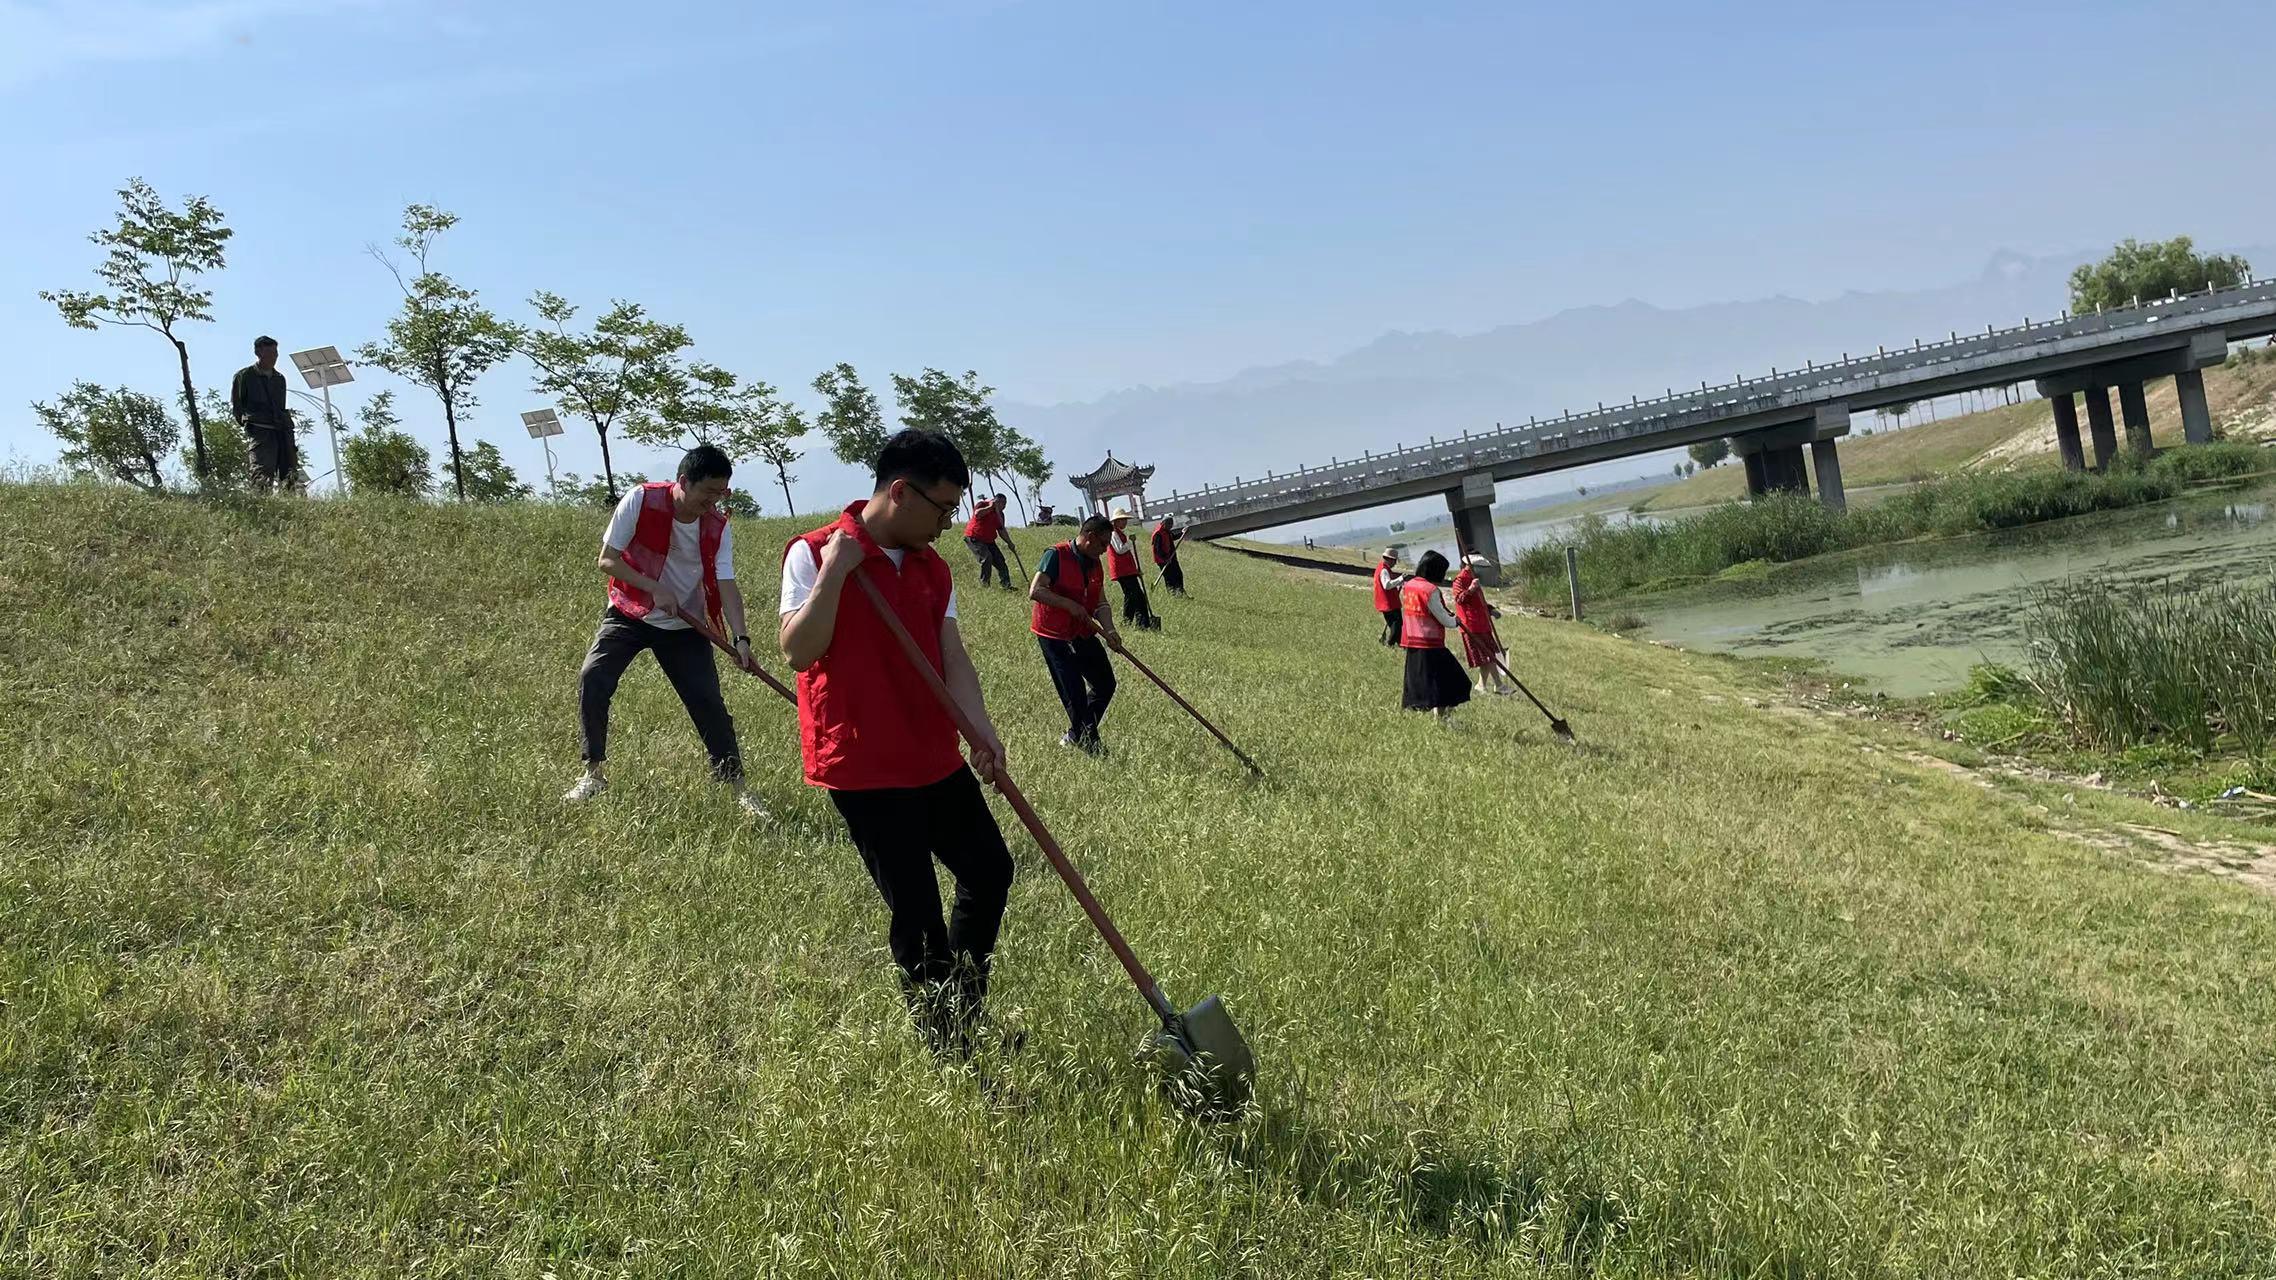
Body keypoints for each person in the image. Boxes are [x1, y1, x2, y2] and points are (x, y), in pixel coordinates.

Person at [778, 429, 1018, 1056]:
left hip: (931, 753)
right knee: (917, 911)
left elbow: (952, 654)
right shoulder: (812, 553)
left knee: (991, 870)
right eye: (941, 508)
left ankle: (964, 1001)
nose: (950, 522)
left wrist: (981, 731)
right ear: (899, 491)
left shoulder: (933, 567)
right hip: (863, 764)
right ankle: (949, 1047)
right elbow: (798, 650)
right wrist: (837, 572)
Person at [566, 445, 769, 819]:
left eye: (720, 493)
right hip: (630, 611)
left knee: (708, 702)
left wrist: (741, 639)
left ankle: (737, 788)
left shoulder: (717, 526)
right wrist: (653, 586)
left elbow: (727, 584)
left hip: (684, 624)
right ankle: (593, 774)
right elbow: (607, 559)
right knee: (593, 677)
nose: (713, 501)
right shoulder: (641, 500)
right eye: (707, 492)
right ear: (683, 482)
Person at [1031, 514, 1124, 754]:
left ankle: (1076, 732)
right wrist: (1070, 605)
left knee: (1106, 683)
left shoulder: (1095, 563)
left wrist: (1110, 630)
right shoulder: (1056, 554)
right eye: (1103, 543)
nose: (1105, 550)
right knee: (1074, 693)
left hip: (1083, 632)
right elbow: (1036, 590)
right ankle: (1090, 744)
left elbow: (1101, 603)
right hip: (1055, 635)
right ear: (1090, 537)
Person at [1399, 550, 1472, 722]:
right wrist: (1456, 621)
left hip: (1413, 642)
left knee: (1434, 685)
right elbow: (1444, 619)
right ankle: (1443, 717)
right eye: (1443, 571)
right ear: (1435, 570)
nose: (1444, 574)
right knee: (1455, 681)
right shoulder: (1430, 590)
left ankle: (1440, 718)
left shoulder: (1410, 585)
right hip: (1431, 644)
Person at [231, 335, 298, 493]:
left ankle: (290, 509)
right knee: (261, 473)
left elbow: (281, 405)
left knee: (289, 473)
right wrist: (248, 424)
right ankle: (261, 507)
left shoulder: (280, 379)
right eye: (269, 353)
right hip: (260, 430)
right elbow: (237, 405)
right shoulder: (244, 376)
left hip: (282, 430)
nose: (274, 357)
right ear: (258, 352)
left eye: (275, 353)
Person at [1451, 554, 1512, 696]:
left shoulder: (1474, 579)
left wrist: (1491, 610)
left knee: (1487, 657)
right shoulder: (1460, 580)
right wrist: (1471, 589)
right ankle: (1499, 686)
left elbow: (1478, 601)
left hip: (1482, 623)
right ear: (1470, 566)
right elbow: (1459, 599)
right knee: (1488, 656)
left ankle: (1481, 685)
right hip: (1471, 625)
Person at [1106, 508, 1160, 632]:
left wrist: (1135, 569)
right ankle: (1129, 623)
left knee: (1137, 597)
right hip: (1122, 571)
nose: (1125, 522)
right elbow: (1120, 550)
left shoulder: (1119, 533)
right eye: (1122, 520)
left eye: (1125, 520)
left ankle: (1141, 624)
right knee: (1132, 596)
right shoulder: (1113, 533)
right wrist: (1131, 541)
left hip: (1128, 570)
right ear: (1116, 521)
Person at [962, 494, 1015, 589]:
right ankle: (985, 585)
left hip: (989, 541)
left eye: (1005, 504)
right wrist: (990, 507)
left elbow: (1001, 530)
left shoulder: (1000, 515)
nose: (1004, 506)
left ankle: (1006, 586)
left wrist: (1009, 543)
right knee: (987, 558)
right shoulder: (983, 504)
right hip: (974, 537)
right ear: (995, 501)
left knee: (1000, 561)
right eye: (1002, 503)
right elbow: (977, 514)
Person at [1372, 549, 1405, 646]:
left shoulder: (1382, 568)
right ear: (1390, 560)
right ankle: (1390, 644)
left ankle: (1400, 644)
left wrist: (1398, 583)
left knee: (1398, 624)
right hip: (1388, 603)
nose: (1395, 564)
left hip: (1390, 602)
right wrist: (1400, 579)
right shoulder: (1384, 570)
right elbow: (1386, 585)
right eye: (1394, 561)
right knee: (1396, 625)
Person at [1151, 514, 1188, 595]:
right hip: (1162, 560)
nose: (1171, 526)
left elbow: (1172, 537)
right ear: (1164, 523)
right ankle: (1173, 594)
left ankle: (1181, 592)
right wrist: (1165, 558)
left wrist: (1182, 533)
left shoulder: (1167, 530)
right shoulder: (1158, 534)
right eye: (1169, 524)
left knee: (1178, 574)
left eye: (1171, 524)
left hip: (1171, 557)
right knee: (1169, 578)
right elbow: (1158, 549)